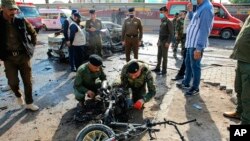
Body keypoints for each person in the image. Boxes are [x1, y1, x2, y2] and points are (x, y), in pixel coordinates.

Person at [0, 0, 39, 111]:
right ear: (3, 7)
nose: (13, 11)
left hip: (23, 56)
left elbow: (33, 33)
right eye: (10, 9)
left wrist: (31, 48)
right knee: (12, 83)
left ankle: (29, 103)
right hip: (8, 58)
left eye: (14, 9)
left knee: (28, 81)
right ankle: (18, 96)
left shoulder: (21, 20)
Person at [176, 0, 214, 96]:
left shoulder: (206, 8)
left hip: (196, 44)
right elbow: (194, 21)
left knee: (195, 66)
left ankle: (195, 87)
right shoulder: (200, 6)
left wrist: (199, 48)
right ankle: (186, 82)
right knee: (188, 63)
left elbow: (204, 29)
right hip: (190, 43)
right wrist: (190, 11)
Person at [223, 15, 250, 125]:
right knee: (239, 88)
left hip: (248, 62)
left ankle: (245, 124)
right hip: (241, 59)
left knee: (247, 95)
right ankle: (239, 112)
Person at [151, 6, 173, 75]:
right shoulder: (162, 21)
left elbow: (171, 33)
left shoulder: (168, 21)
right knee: (159, 55)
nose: (160, 14)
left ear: (166, 12)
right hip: (161, 41)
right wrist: (158, 41)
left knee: (164, 56)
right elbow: (160, 32)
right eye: (160, 12)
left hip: (165, 41)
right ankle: (158, 68)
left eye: (162, 12)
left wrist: (168, 42)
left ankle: (164, 70)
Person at [171, 10, 190, 81]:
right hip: (179, 35)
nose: (181, 14)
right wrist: (176, 33)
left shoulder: (187, 19)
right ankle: (174, 53)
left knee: (183, 46)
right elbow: (176, 27)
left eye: (182, 13)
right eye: (181, 14)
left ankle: (182, 55)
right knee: (176, 45)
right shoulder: (179, 20)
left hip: (184, 36)